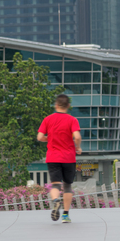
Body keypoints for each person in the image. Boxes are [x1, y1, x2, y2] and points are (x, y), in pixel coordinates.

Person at [37, 94, 82, 223]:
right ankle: (65, 215)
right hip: (68, 157)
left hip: (53, 157)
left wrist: (48, 138)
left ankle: (56, 200)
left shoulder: (48, 119)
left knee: (55, 184)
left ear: (56, 105)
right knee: (67, 186)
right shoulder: (72, 120)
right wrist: (77, 147)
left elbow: (40, 137)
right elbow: (77, 137)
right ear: (68, 106)